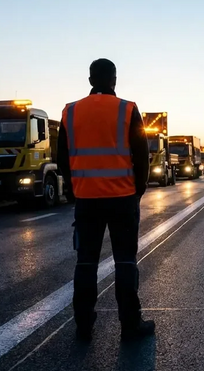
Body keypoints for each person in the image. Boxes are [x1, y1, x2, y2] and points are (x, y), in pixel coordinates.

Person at [57, 58, 154, 341]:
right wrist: (138, 190)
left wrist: (75, 190)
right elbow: (141, 155)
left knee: (86, 262)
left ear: (90, 80)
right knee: (125, 262)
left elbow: (62, 158)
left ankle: (83, 325)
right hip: (123, 198)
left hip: (86, 200)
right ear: (114, 80)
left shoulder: (70, 111)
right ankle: (130, 325)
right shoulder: (127, 108)